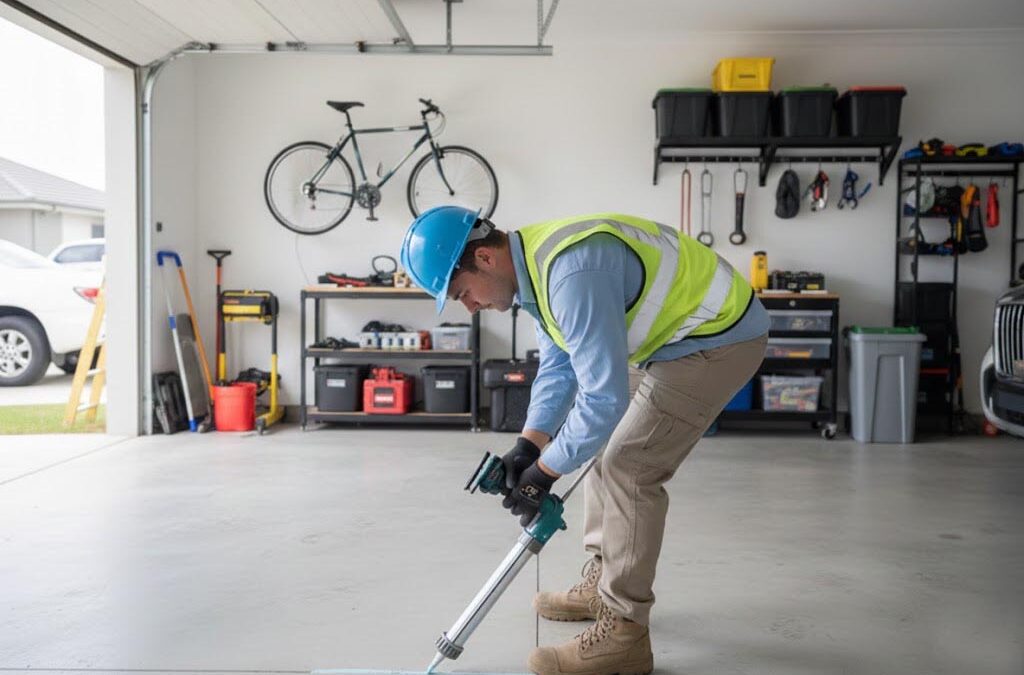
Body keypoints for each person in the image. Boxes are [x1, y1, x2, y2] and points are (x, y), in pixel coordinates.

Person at [401, 206, 768, 675]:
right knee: (603, 441)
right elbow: (559, 365)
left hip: (718, 337)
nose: (469, 307)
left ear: (486, 259)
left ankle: (624, 632)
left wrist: (543, 474)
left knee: (630, 465)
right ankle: (603, 580)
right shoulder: (533, 270)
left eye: (462, 293)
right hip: (675, 335)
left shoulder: (571, 274)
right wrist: (529, 446)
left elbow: (601, 400)